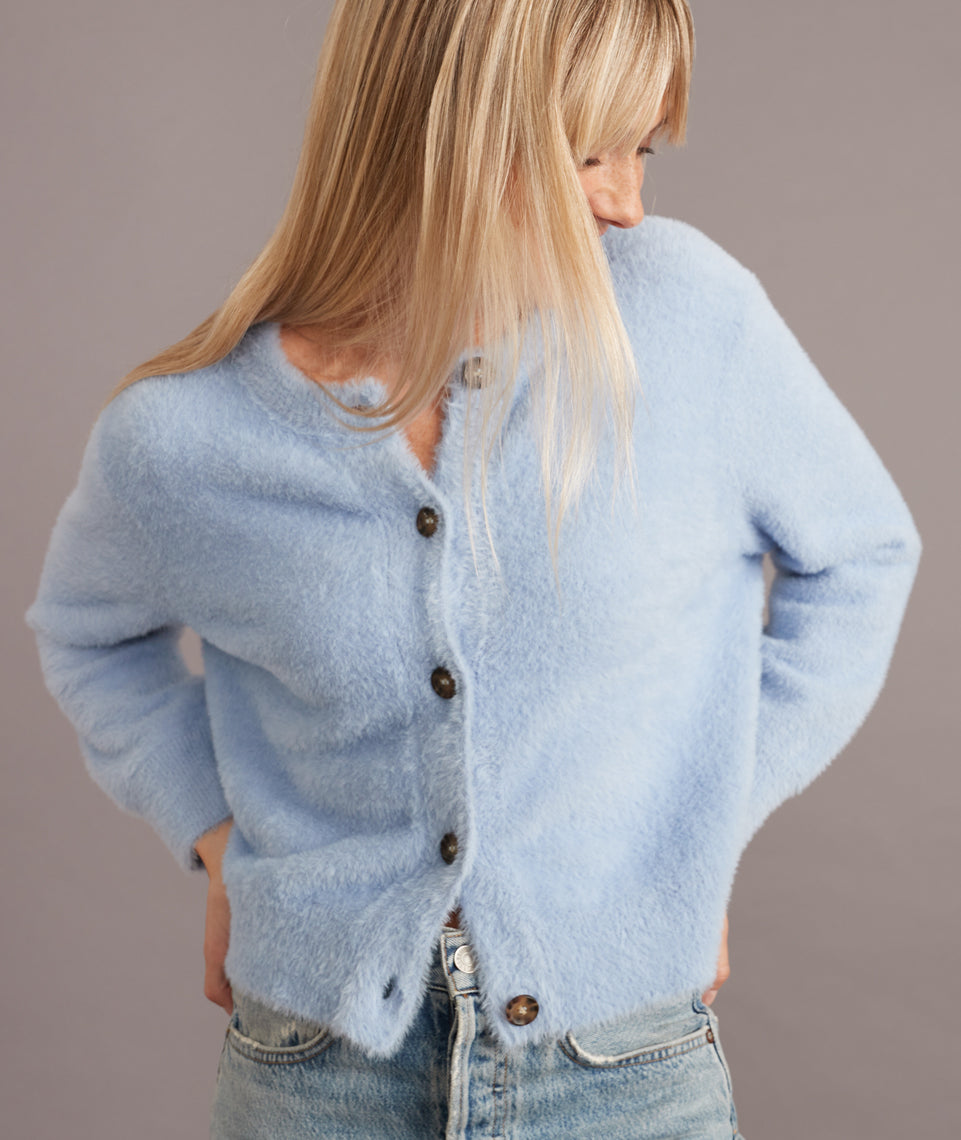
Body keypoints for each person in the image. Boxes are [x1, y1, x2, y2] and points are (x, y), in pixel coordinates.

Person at [25, 1, 921, 1137]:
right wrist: (212, 832)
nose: (626, 201)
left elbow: (862, 557)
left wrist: (689, 833)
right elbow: (88, 635)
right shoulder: (184, 439)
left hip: (621, 1070)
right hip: (313, 1074)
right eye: (585, 155)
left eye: (640, 152)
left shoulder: (686, 319)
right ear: (438, 135)